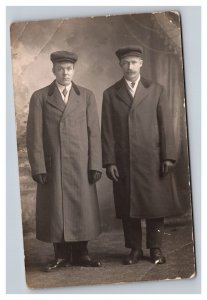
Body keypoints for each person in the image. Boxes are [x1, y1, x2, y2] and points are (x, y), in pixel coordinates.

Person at [101, 45, 182, 265]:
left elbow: (166, 126)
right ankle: (134, 249)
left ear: (141, 64)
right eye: (125, 63)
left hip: (152, 159)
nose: (130, 67)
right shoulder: (110, 94)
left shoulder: (157, 90)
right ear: (120, 65)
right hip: (124, 161)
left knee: (155, 206)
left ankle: (155, 249)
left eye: (134, 62)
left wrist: (168, 156)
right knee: (129, 208)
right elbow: (107, 130)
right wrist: (109, 161)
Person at [27, 50, 102, 271]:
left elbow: (94, 133)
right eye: (60, 68)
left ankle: (81, 254)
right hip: (54, 166)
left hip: (80, 164)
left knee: (82, 209)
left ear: (74, 70)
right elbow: (34, 136)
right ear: (53, 70)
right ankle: (60, 255)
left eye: (68, 68)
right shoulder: (40, 97)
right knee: (56, 211)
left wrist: (95, 163)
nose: (65, 72)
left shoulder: (86, 96)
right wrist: (38, 166)